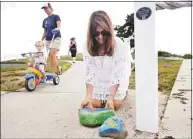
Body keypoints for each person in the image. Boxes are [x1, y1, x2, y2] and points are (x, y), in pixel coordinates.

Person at [80, 10, 131, 111]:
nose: (100, 37)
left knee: (113, 105)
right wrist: (88, 97)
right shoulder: (87, 46)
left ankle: (123, 94)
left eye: (104, 33)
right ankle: (99, 99)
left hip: (116, 82)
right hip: (100, 83)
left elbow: (118, 73)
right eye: (96, 33)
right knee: (93, 104)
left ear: (109, 30)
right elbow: (89, 73)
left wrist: (111, 98)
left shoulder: (118, 45)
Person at [41, 3, 61, 76]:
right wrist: (41, 40)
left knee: (52, 55)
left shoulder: (56, 16)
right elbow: (45, 31)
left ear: (50, 7)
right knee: (51, 56)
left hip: (56, 37)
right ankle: (59, 68)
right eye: (44, 9)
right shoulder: (45, 20)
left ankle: (53, 74)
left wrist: (57, 29)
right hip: (48, 40)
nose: (45, 10)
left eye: (46, 8)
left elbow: (59, 26)